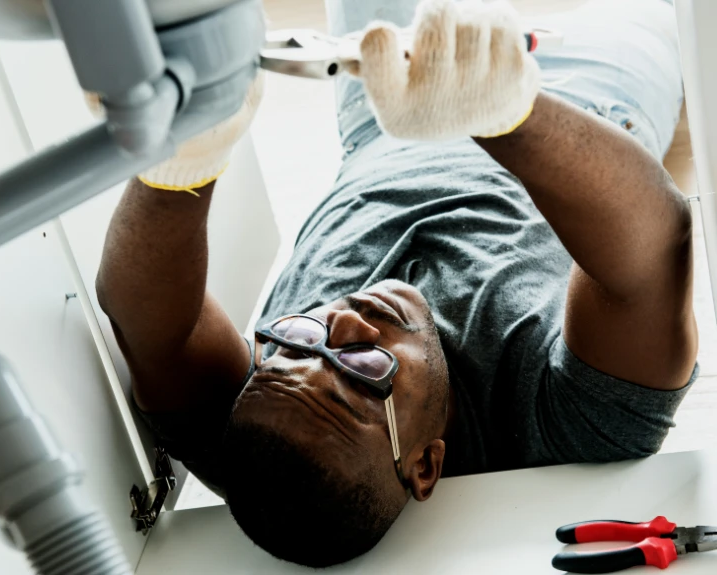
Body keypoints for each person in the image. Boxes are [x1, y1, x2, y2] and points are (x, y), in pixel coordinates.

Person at [96, 0, 698, 567]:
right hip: (578, 103)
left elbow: (148, 321)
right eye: (362, 369)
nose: (344, 321)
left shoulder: (264, 432)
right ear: (425, 465)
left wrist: (187, 157)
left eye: (297, 343)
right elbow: (654, 248)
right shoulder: (565, 431)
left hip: (381, 106)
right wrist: (501, 112)